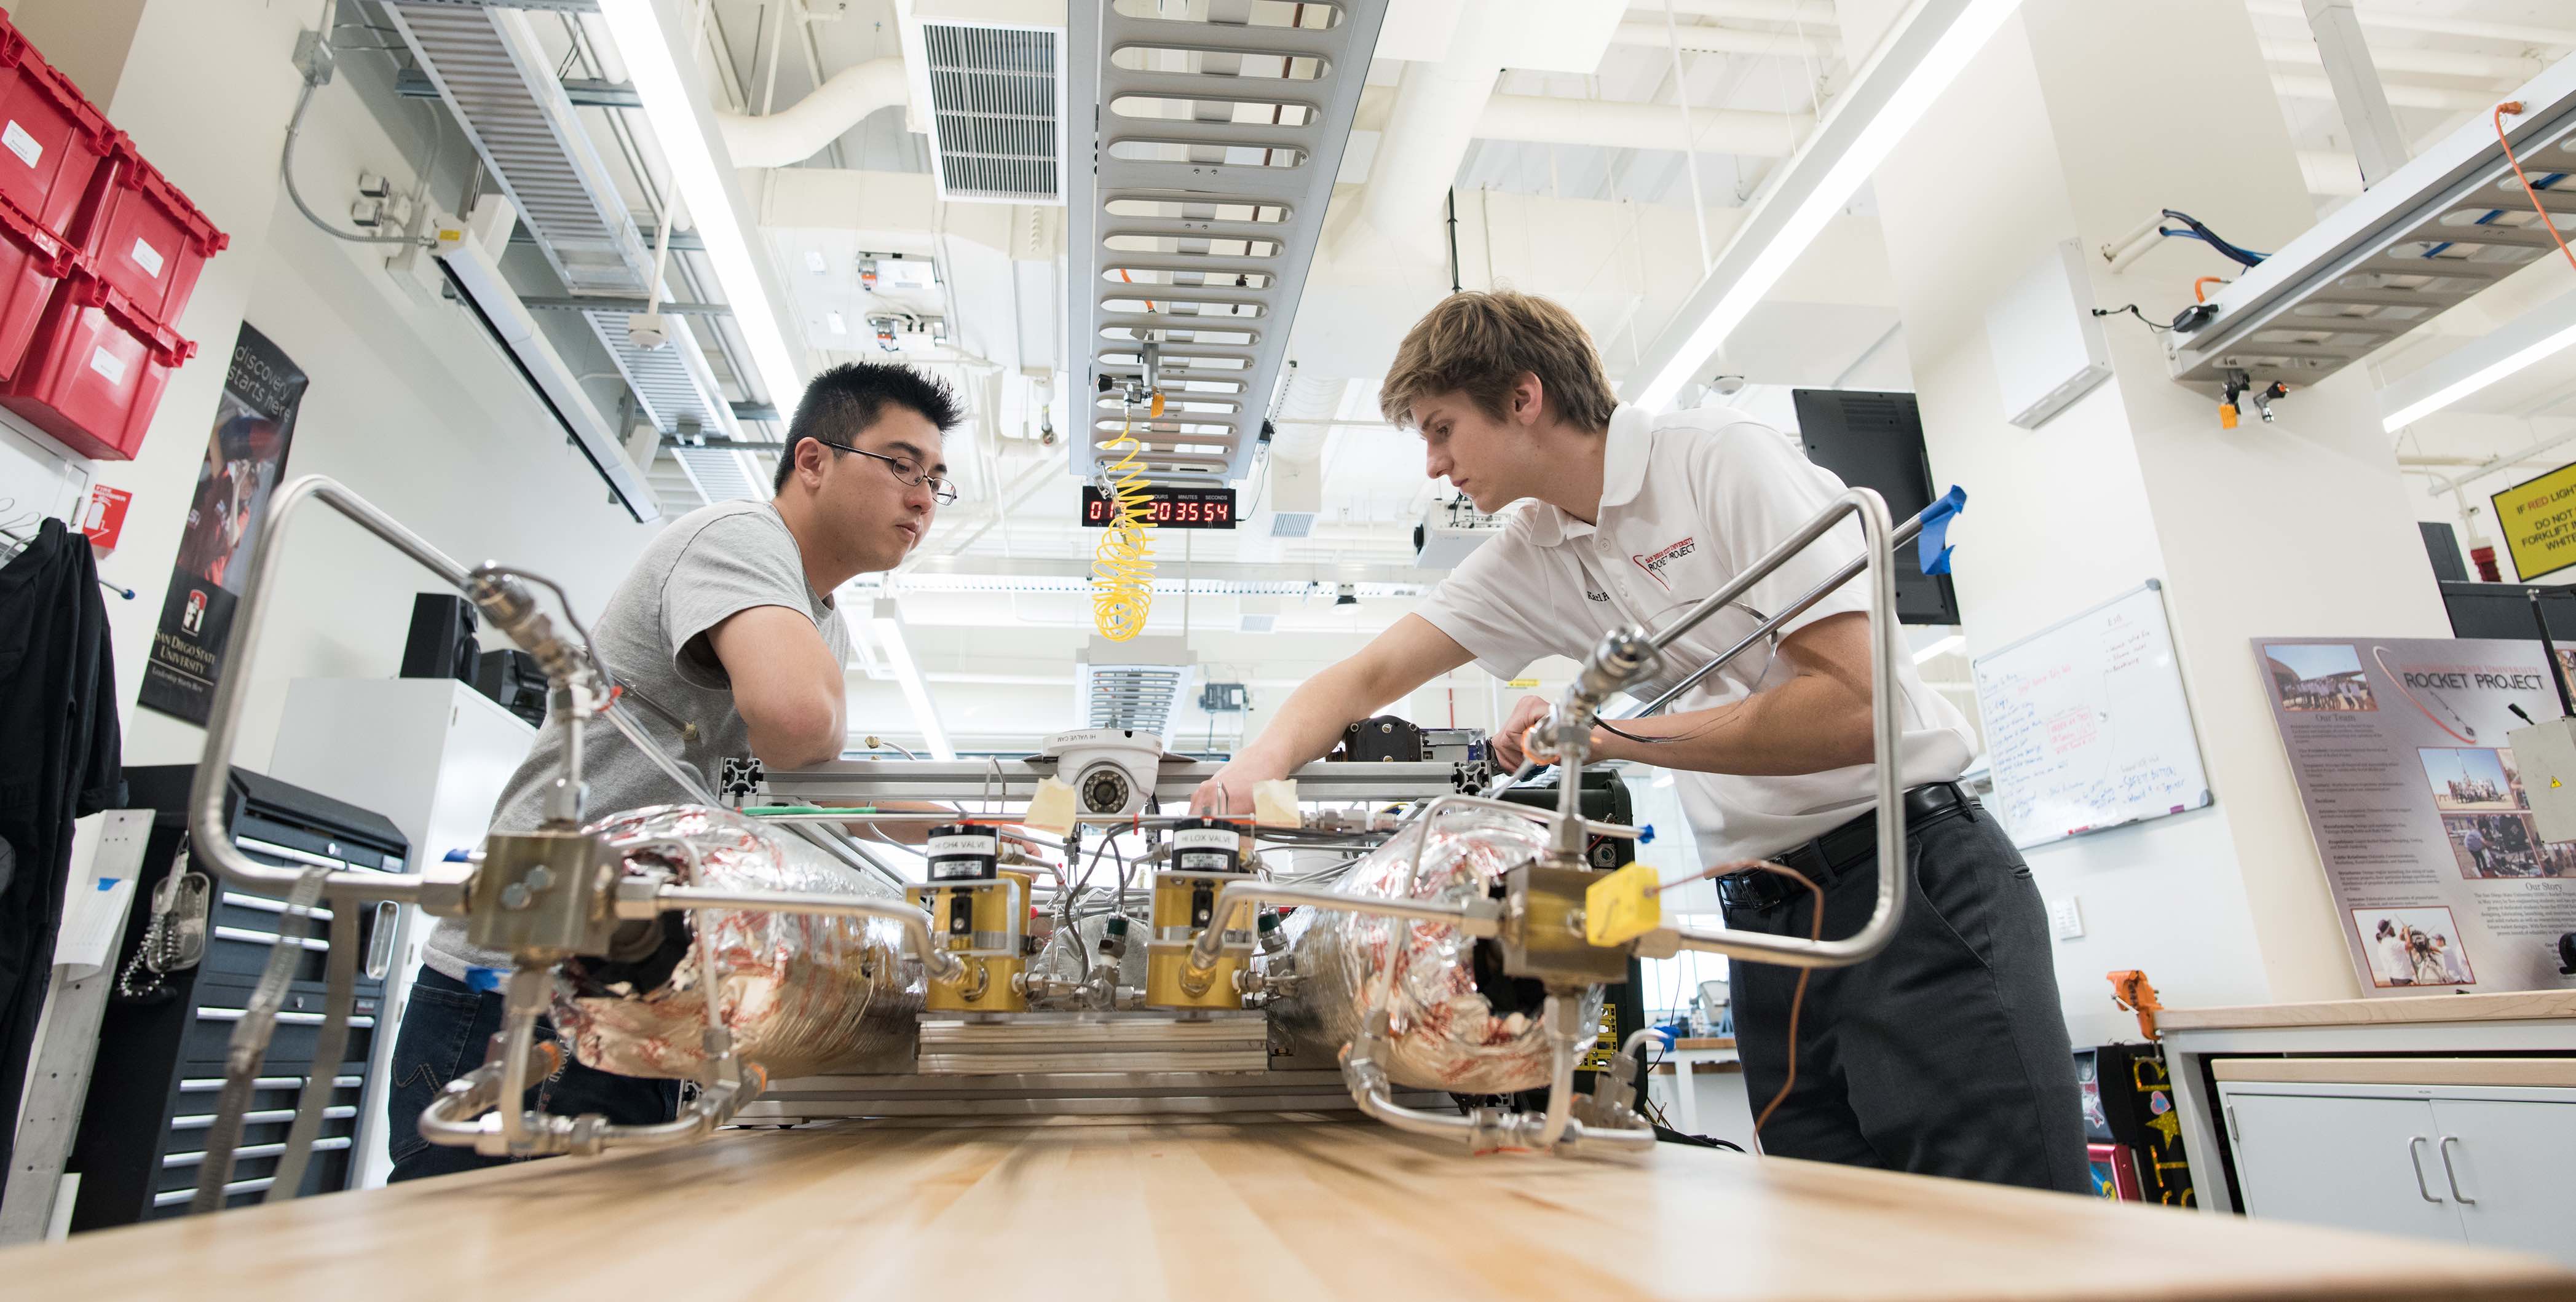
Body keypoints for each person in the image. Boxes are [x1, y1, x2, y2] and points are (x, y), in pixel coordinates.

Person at [1194, 291, 2086, 1194]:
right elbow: (1364, 677)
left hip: (1908, 881)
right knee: (1844, 1236)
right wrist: (1246, 773)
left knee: (2008, 1230)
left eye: (1441, 428)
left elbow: (1855, 708)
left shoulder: (1717, 462)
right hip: (1766, 917)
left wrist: (1603, 733)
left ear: (1523, 398)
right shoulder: (1539, 545)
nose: (1433, 465)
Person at [385, 361, 961, 1181]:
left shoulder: (812, 612)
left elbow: (775, 789)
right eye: (901, 464)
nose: (922, 497)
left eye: (936, 479)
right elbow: (798, 726)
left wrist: (962, 828)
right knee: (485, 1260)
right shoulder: (741, 539)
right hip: (534, 989)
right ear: (813, 461)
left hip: (630, 991)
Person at [2374, 918, 2413, 986]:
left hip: (2395, 978)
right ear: (2389, 930)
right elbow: (2410, 946)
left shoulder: (2383, 944)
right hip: (2403, 978)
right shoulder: (2392, 941)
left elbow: (2397, 951)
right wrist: (2408, 933)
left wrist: (2402, 937)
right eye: (2391, 927)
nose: (2393, 928)